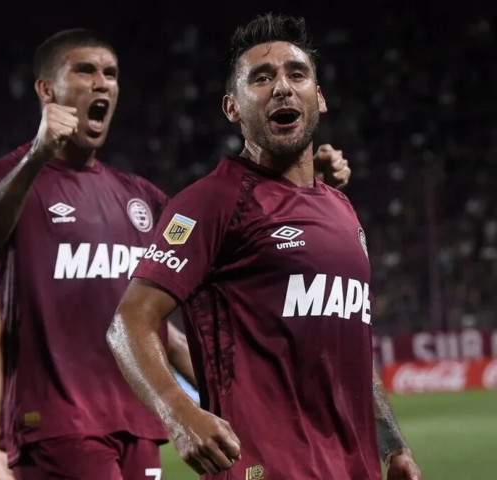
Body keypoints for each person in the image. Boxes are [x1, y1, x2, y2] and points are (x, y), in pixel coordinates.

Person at [0, 29, 353, 480]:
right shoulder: (9, 177)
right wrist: (36, 155)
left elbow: (219, 246)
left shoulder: (140, 196)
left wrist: (300, 187)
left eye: (111, 73)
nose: (102, 83)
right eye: (85, 71)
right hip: (57, 422)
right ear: (46, 89)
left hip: (140, 424)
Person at [106, 14, 423, 480]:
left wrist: (394, 447)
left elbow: (350, 345)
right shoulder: (211, 202)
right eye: (261, 78)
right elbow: (129, 322)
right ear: (232, 107)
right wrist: (178, 412)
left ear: (319, 97)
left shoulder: (342, 210)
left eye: (297, 74)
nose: (282, 87)